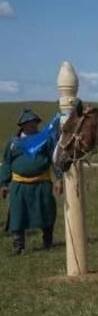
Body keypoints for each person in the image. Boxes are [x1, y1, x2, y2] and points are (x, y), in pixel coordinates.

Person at [0, 109, 62, 255]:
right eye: (28, 123)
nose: (32, 125)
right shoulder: (13, 143)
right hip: (19, 185)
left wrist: (60, 178)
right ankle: (18, 246)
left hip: (42, 183)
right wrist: (3, 183)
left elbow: (55, 159)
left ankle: (48, 242)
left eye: (34, 122)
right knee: (17, 215)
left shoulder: (45, 140)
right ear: (22, 125)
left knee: (47, 212)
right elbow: (7, 163)